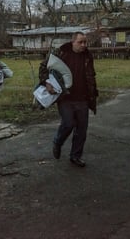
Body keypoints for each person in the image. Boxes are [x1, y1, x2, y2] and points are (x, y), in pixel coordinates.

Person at [39, 31, 98, 167]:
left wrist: (92, 95)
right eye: (80, 42)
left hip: (82, 98)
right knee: (68, 123)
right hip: (65, 97)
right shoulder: (61, 53)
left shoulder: (87, 56)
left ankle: (75, 156)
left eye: (85, 42)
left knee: (81, 130)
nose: (83, 45)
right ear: (73, 42)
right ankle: (57, 142)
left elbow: (91, 76)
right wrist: (46, 82)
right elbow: (43, 67)